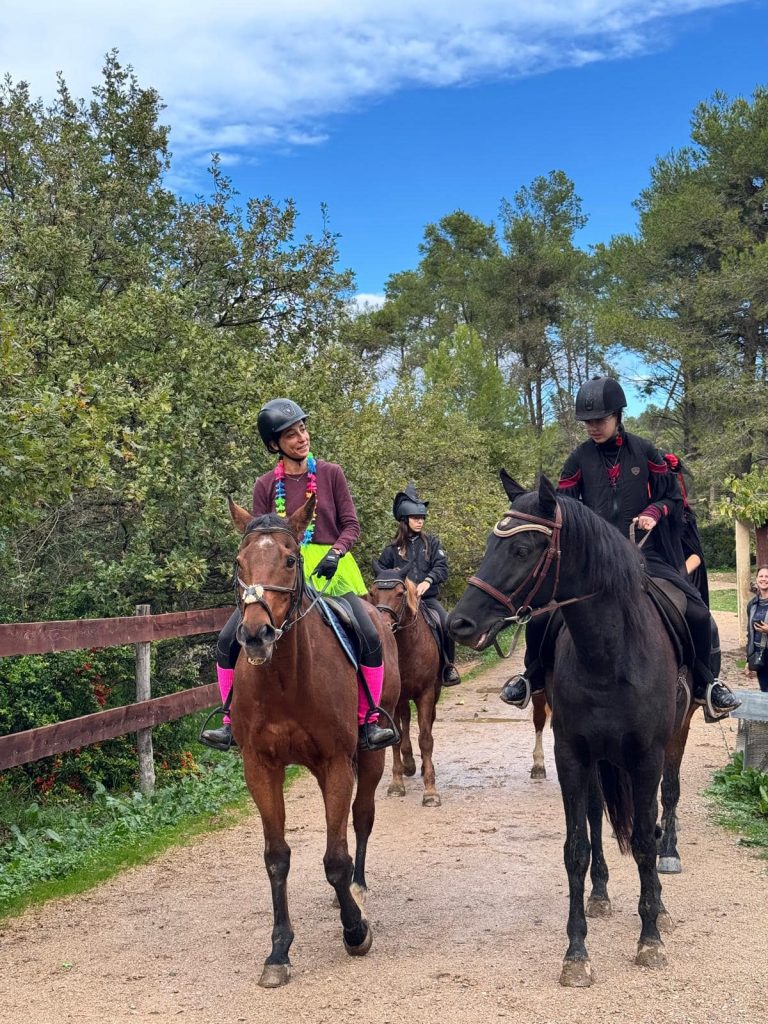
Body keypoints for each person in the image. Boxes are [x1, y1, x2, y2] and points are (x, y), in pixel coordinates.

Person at [499, 376, 740, 717]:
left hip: (646, 555)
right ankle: (531, 677)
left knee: (697, 612)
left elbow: (671, 497)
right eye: (587, 422)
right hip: (594, 561)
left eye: (598, 420)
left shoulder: (645, 452)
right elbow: (563, 507)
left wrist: (654, 512)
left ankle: (707, 685)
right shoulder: (578, 459)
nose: (592, 428)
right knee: (542, 617)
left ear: (617, 415)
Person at [201, 398, 397, 752]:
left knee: (368, 631)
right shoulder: (265, 485)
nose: (301, 438)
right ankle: (230, 721)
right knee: (228, 638)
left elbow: (351, 524)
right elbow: (259, 536)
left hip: (332, 569)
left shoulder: (330, 473)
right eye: (291, 434)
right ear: (275, 444)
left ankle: (369, 720)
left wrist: (336, 553)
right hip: (281, 572)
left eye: (303, 429)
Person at [376, 483, 461, 685]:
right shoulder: (391, 549)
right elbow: (381, 574)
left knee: (445, 622)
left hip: (428, 600)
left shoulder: (432, 543)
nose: (420, 522)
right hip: (400, 603)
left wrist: (428, 581)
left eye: (422, 518)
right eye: (416, 518)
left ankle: (448, 667)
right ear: (405, 520)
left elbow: (442, 567)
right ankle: (378, 669)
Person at [745, 565, 768, 693]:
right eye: (761, 576)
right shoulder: (752, 605)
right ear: (757, 579)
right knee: (765, 693)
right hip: (761, 656)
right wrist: (748, 660)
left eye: (767, 576)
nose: (764, 579)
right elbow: (750, 633)